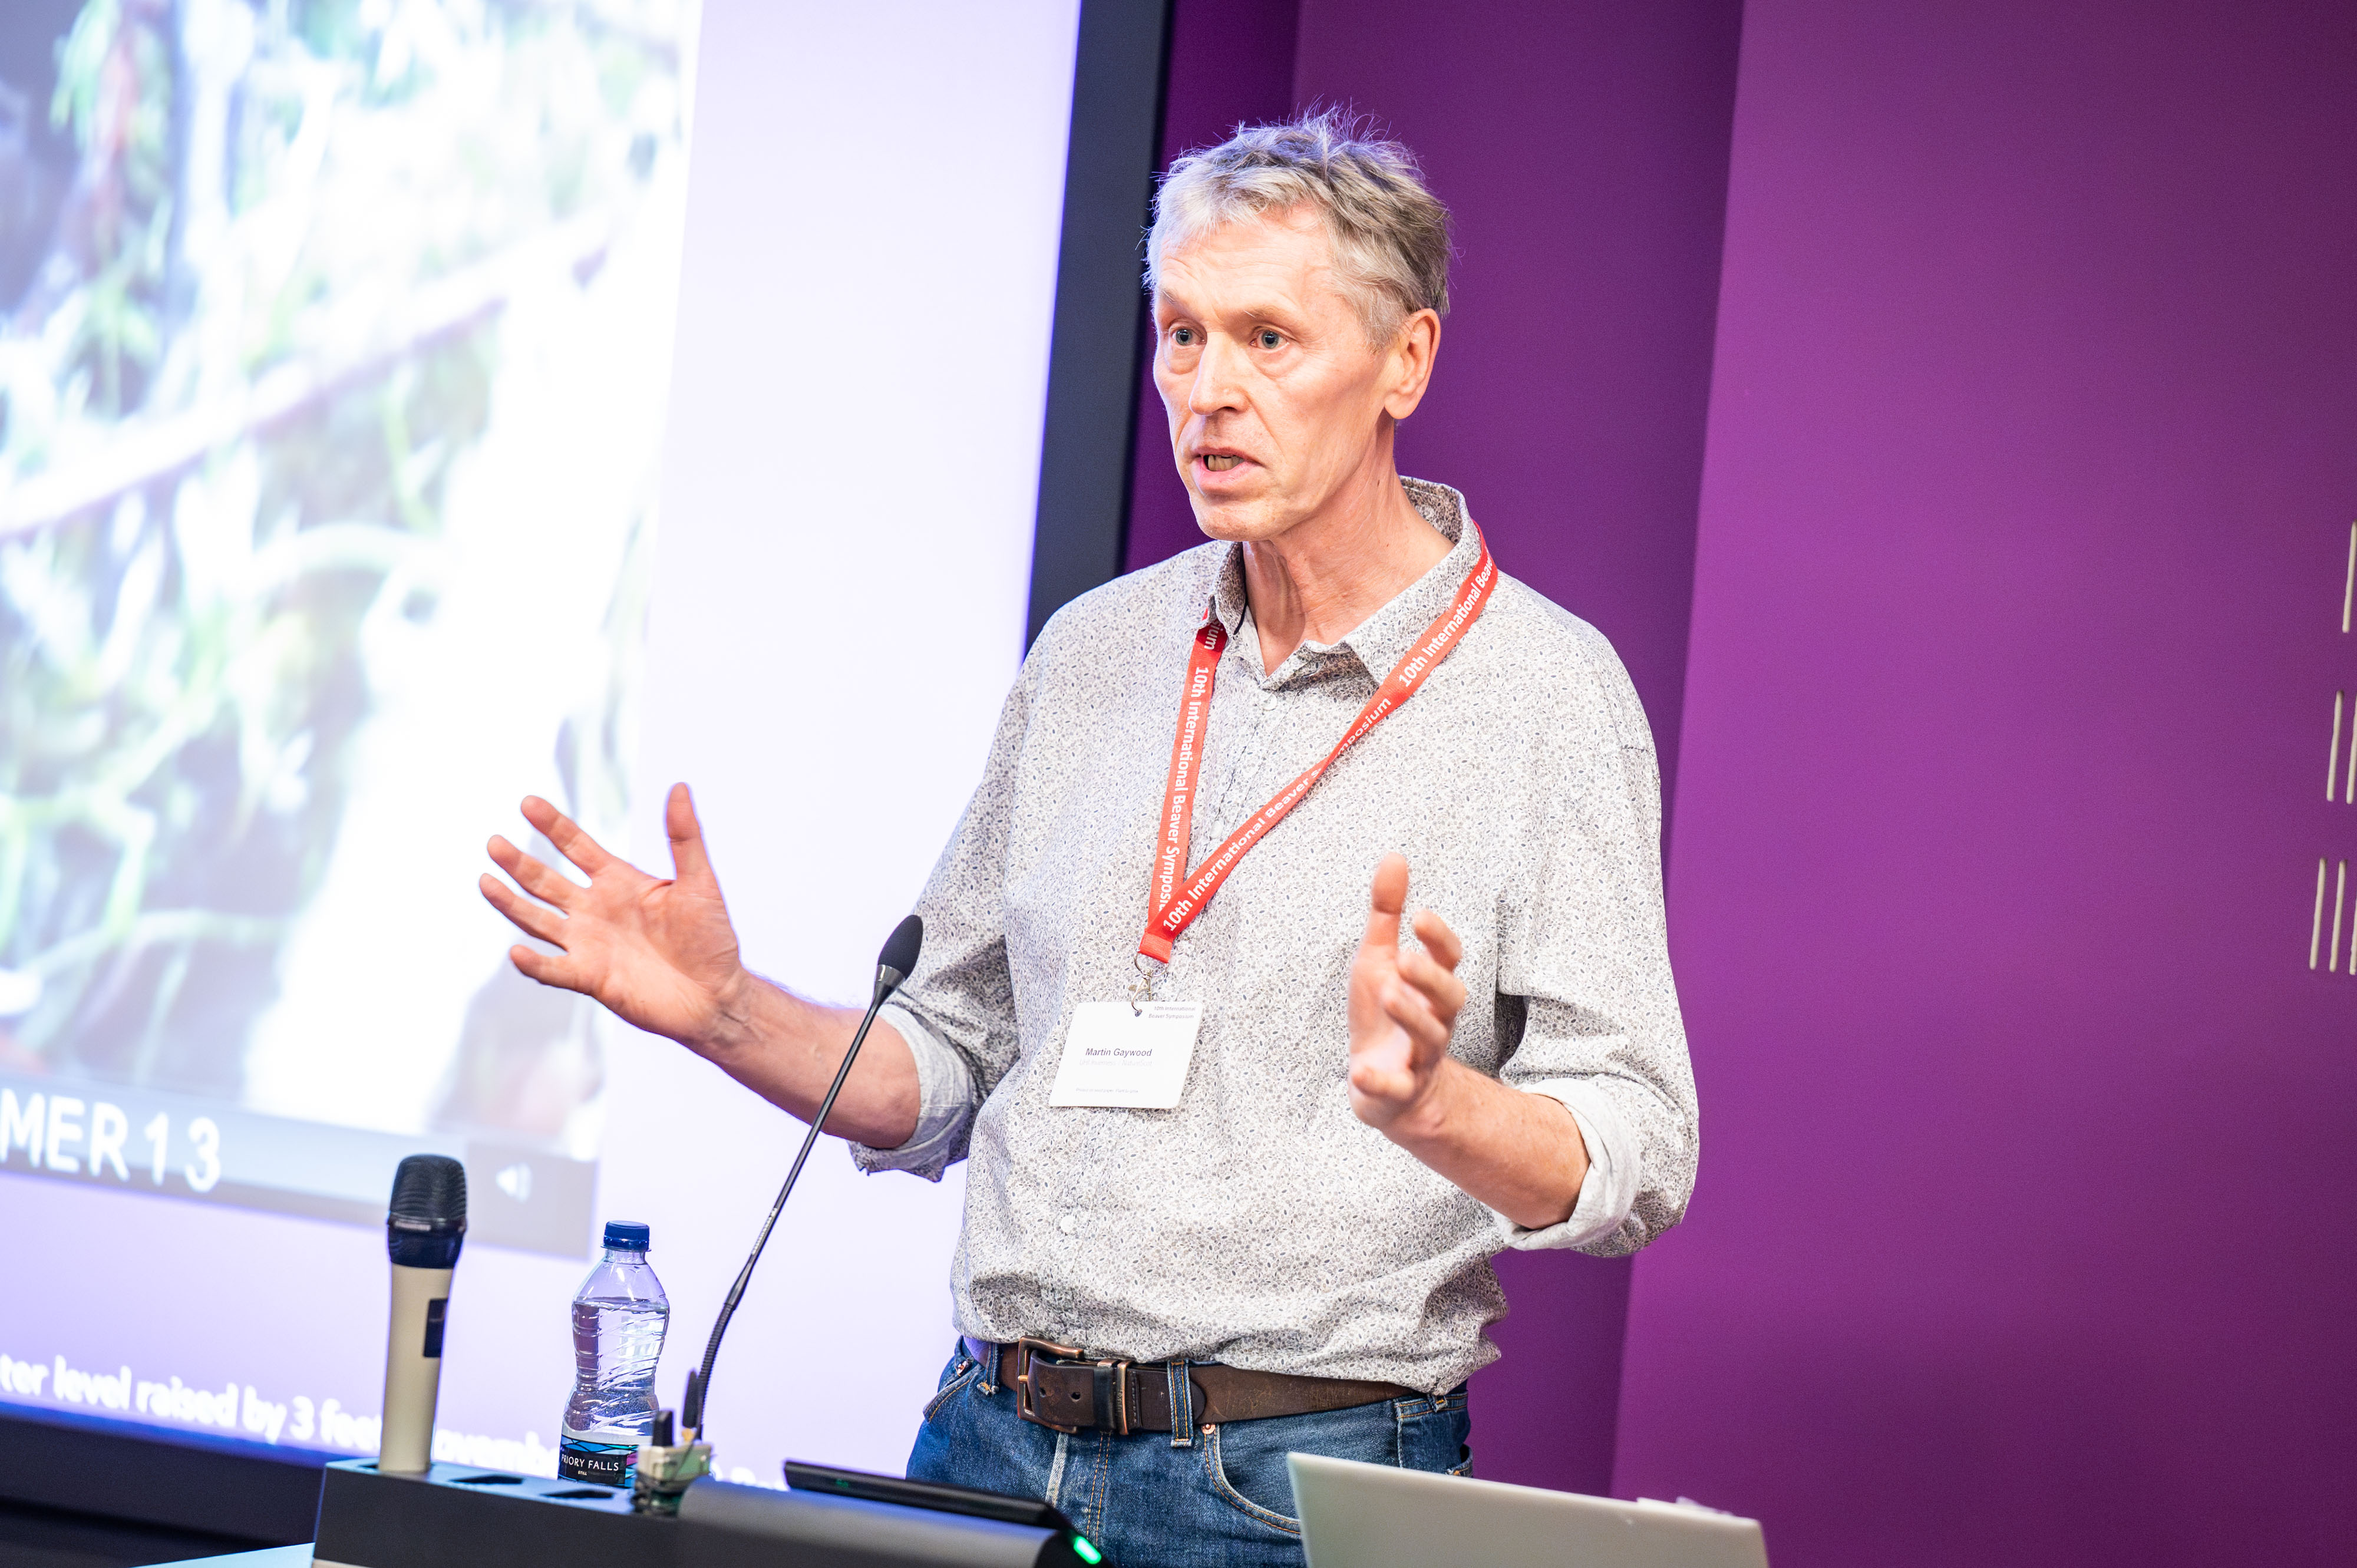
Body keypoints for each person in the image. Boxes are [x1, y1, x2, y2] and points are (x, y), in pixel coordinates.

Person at [480, 111, 1696, 1567]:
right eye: (1180, 336)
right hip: (987, 1440)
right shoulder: (1097, 653)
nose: (1207, 393)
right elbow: (943, 1060)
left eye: (1265, 339)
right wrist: (726, 1013)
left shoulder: (1545, 694)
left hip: (1287, 1476)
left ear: (1405, 362)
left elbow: (1637, 1147)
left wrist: (1439, 1105)